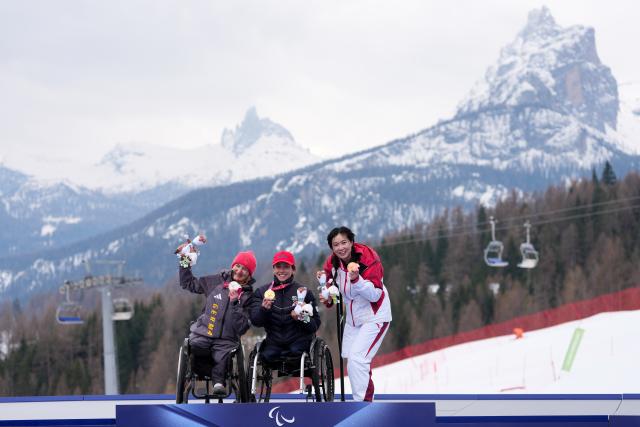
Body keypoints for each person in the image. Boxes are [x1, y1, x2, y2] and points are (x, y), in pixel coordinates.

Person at [318, 226, 391, 402]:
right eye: (336, 245)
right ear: (332, 248)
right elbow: (332, 290)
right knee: (353, 361)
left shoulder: (368, 257)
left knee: (358, 360)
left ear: (351, 242)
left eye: (344, 242)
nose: (340, 247)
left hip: (375, 315)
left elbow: (375, 294)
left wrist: (356, 279)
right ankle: (365, 401)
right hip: (353, 318)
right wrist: (328, 297)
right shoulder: (333, 263)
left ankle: (363, 406)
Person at [179, 250, 256, 396]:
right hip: (203, 333)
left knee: (222, 357)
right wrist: (184, 261)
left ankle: (218, 383)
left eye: (245, 269)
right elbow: (188, 283)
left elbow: (242, 327)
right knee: (195, 348)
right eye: (238, 266)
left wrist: (235, 303)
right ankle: (199, 373)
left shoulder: (248, 297)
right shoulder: (215, 281)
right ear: (233, 266)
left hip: (227, 340)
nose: (239, 271)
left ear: (249, 274)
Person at [250, 250, 321, 363]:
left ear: (293, 269)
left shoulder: (304, 292)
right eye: (278, 267)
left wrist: (301, 317)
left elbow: (315, 324)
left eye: (286, 267)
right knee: (266, 355)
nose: (282, 270)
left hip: (299, 343)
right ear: (273, 269)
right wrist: (264, 310)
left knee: (296, 350)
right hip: (273, 344)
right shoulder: (262, 292)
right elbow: (255, 321)